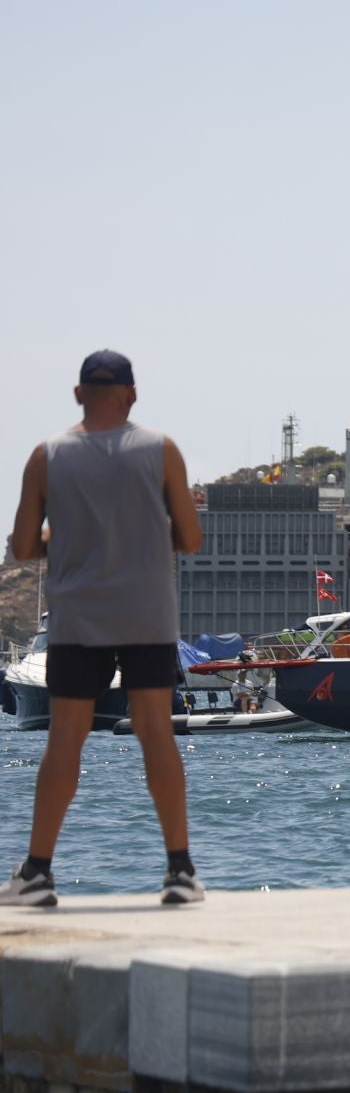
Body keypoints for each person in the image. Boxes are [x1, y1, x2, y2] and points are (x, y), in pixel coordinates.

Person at [3, 351, 206, 907]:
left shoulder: (46, 456)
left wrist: (66, 538)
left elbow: (23, 547)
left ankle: (37, 874)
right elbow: (191, 538)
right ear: (132, 395)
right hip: (146, 613)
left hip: (77, 617)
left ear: (78, 394)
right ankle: (180, 872)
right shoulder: (162, 450)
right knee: (155, 733)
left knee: (65, 739)